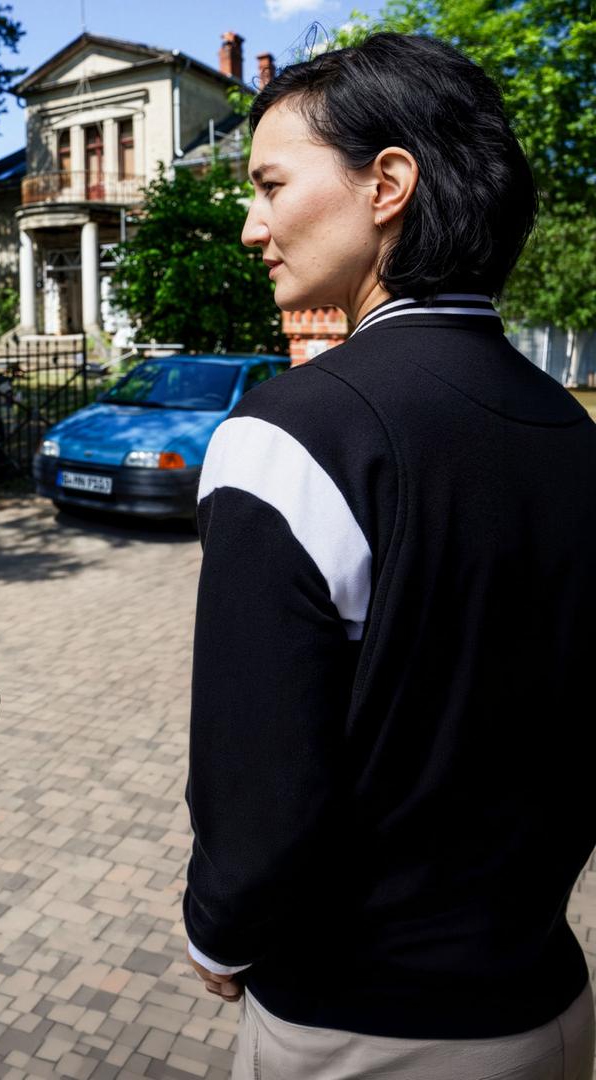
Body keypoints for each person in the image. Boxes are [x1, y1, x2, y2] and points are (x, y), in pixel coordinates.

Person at [182, 32, 596, 1079]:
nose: (250, 226)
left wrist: (217, 931)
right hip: (548, 1006)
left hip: (360, 1028)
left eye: (271, 184)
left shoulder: (292, 437)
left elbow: (259, 784)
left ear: (389, 185)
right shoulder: (575, 435)